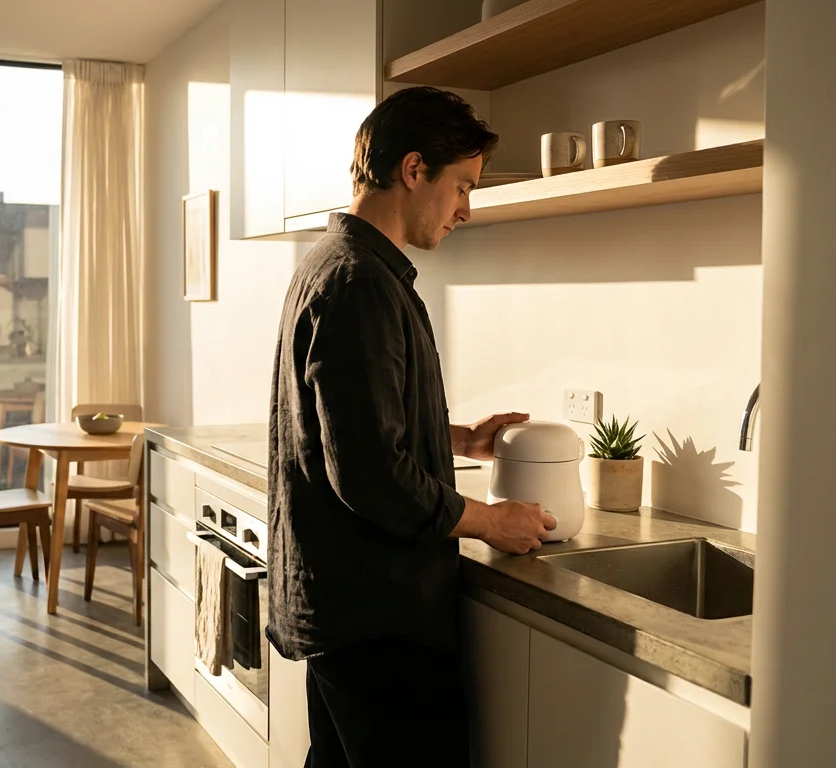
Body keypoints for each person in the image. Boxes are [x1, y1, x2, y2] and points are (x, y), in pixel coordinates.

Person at [267, 86, 558, 767]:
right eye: (461, 185)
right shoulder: (359, 281)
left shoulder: (338, 264)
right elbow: (370, 476)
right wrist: (493, 519)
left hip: (349, 609)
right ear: (414, 169)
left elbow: (349, 424)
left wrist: (455, 439)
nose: (466, 208)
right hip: (378, 616)